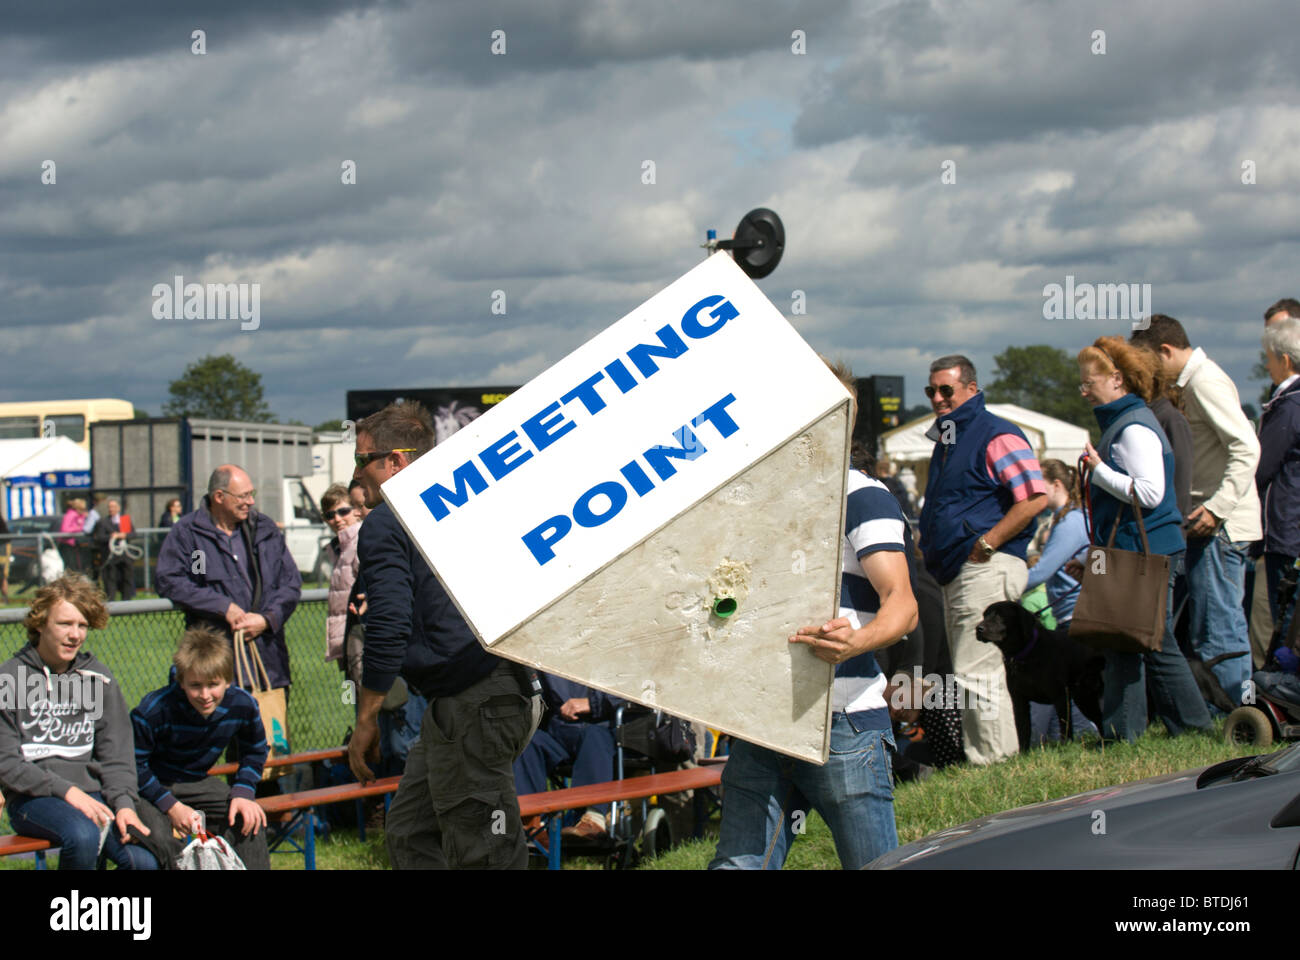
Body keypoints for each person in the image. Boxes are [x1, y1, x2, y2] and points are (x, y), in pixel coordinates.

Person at [710, 363, 917, 870]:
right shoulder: (761, 500)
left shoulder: (862, 495)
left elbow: (903, 604)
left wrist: (858, 640)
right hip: (763, 718)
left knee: (875, 865)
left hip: (842, 718)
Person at [347, 400, 541, 869]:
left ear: (396, 460)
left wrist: (367, 718)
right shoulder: (469, 498)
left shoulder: (386, 521)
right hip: (505, 690)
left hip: (475, 699)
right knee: (412, 831)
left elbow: (389, 625)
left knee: (483, 849)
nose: (358, 474)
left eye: (362, 460)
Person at [1077, 336, 1212, 741]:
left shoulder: (1132, 428)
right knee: (1131, 643)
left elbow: (1150, 492)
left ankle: (1191, 728)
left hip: (1146, 551)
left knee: (1151, 642)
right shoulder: (1129, 420)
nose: (1084, 390)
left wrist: (1099, 470)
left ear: (1116, 379)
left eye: (1089, 382)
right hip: (1145, 549)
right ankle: (1129, 734)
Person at [917, 354, 1048, 765]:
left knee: (978, 672)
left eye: (946, 390)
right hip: (961, 568)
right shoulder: (948, 439)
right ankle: (991, 760)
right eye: (931, 391)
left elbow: (1035, 497)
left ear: (971, 390)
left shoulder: (995, 433)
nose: (938, 398)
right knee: (972, 672)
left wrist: (988, 542)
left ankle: (993, 764)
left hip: (985, 567)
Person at [1132, 315, 1261, 706]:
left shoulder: (1204, 381)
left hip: (1219, 527)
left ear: (1166, 351)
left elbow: (1247, 446)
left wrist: (1217, 509)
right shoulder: (1194, 382)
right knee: (1205, 626)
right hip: (1207, 523)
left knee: (1219, 628)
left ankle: (1236, 718)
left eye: (1148, 362)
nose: (1146, 373)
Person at [0, 575, 157, 869]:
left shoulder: (98, 678)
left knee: (142, 861)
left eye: (82, 625)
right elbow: (7, 763)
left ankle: (113, 916)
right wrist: (68, 791)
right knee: (82, 835)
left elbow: (118, 757)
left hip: (94, 794)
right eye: (65, 624)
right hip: (34, 797)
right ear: (39, 624)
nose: (75, 635)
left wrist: (124, 805)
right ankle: (70, 915)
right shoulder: (9, 679)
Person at [155, 465, 301, 697]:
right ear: (219, 497)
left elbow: (291, 583)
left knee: (271, 731)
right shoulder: (188, 534)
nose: (250, 502)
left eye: (251, 494)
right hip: (215, 669)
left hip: (268, 664)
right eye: (243, 496)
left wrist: (266, 619)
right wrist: (223, 607)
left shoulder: (264, 529)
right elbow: (169, 579)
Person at [131, 625, 270, 869]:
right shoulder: (154, 710)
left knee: (249, 820)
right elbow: (134, 765)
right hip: (150, 786)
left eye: (213, 684)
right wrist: (171, 806)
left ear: (227, 680)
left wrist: (244, 791)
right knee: (162, 840)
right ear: (181, 681)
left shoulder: (243, 704)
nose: (205, 695)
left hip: (196, 781)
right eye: (195, 685)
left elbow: (256, 749)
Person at [514, 673, 623, 841]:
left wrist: (592, 703)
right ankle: (531, 821)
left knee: (594, 735)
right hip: (560, 730)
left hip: (605, 727)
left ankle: (592, 819)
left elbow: (639, 687)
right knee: (529, 742)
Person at [1255, 317, 1300, 642]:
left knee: (1285, 620)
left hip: (1286, 530)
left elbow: (1262, 466)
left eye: (1269, 358)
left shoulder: (1288, 406)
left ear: (1284, 360)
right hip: (1291, 527)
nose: (1267, 366)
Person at [93, 498, 135, 602]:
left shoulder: (124, 520)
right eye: (110, 507)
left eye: (114, 507)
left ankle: (127, 600)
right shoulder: (103, 522)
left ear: (119, 508)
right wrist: (112, 536)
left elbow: (133, 534)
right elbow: (99, 537)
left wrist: (123, 535)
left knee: (127, 577)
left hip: (124, 555)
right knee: (110, 579)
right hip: (110, 556)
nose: (111, 509)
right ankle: (111, 602)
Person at [58, 497, 87, 573]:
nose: (83, 511)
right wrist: (78, 528)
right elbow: (64, 529)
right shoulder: (70, 515)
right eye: (81, 509)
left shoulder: (81, 516)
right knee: (70, 566)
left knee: (78, 565)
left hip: (75, 544)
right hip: (67, 544)